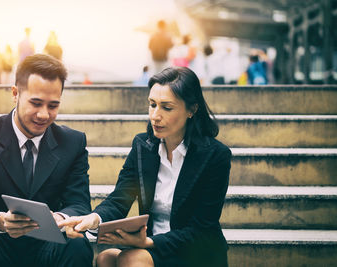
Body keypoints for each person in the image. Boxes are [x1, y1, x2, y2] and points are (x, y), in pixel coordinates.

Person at [59, 67, 231, 267]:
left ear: (192, 110)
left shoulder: (215, 155)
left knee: (132, 259)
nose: (155, 116)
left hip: (195, 251)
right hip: (150, 245)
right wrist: (93, 219)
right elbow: (119, 200)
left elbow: (202, 228)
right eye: (152, 105)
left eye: (166, 108)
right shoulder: (144, 146)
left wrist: (147, 242)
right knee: (105, 258)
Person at [0, 54, 93, 267]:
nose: (43, 114)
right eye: (36, 103)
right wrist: (0, 221)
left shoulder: (73, 142)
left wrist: (59, 218)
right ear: (15, 94)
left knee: (78, 244)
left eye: (53, 106)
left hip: (48, 247)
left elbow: (79, 203)